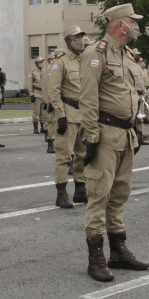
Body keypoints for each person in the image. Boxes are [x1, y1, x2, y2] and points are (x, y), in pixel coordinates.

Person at [80, 4, 149, 281]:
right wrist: (92, 136)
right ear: (121, 24)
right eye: (133, 21)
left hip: (126, 133)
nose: (136, 26)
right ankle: (95, 257)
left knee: (120, 194)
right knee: (99, 195)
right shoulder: (95, 54)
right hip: (105, 133)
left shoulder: (126, 55)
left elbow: (134, 94)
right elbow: (88, 97)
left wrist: (138, 127)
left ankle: (118, 251)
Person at [46, 24, 90, 208]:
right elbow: (53, 91)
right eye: (76, 38)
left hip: (84, 114)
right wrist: (60, 114)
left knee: (83, 154)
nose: (80, 41)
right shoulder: (60, 61)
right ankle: (61, 193)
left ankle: (80, 189)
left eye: (81, 37)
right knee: (64, 156)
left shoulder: (85, 59)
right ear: (68, 41)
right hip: (68, 113)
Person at [29, 57, 46, 136]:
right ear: (36, 64)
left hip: (44, 94)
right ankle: (35, 128)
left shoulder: (45, 71)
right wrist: (31, 94)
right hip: (36, 93)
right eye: (40, 62)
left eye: (42, 62)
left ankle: (43, 128)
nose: (42, 64)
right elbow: (29, 84)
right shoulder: (33, 72)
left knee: (43, 113)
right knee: (36, 112)